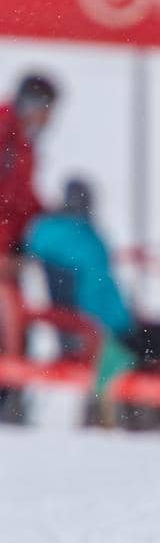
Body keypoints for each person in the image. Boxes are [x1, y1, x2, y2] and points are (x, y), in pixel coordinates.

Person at [26, 176, 160, 430]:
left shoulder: (53, 235)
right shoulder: (82, 239)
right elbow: (98, 300)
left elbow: (97, 296)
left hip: (111, 333)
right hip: (114, 339)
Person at [0, 73, 59, 418]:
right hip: (5, 258)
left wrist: (53, 219)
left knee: (18, 334)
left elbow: (21, 200)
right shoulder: (6, 137)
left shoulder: (21, 142)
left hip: (12, 258)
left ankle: (11, 402)